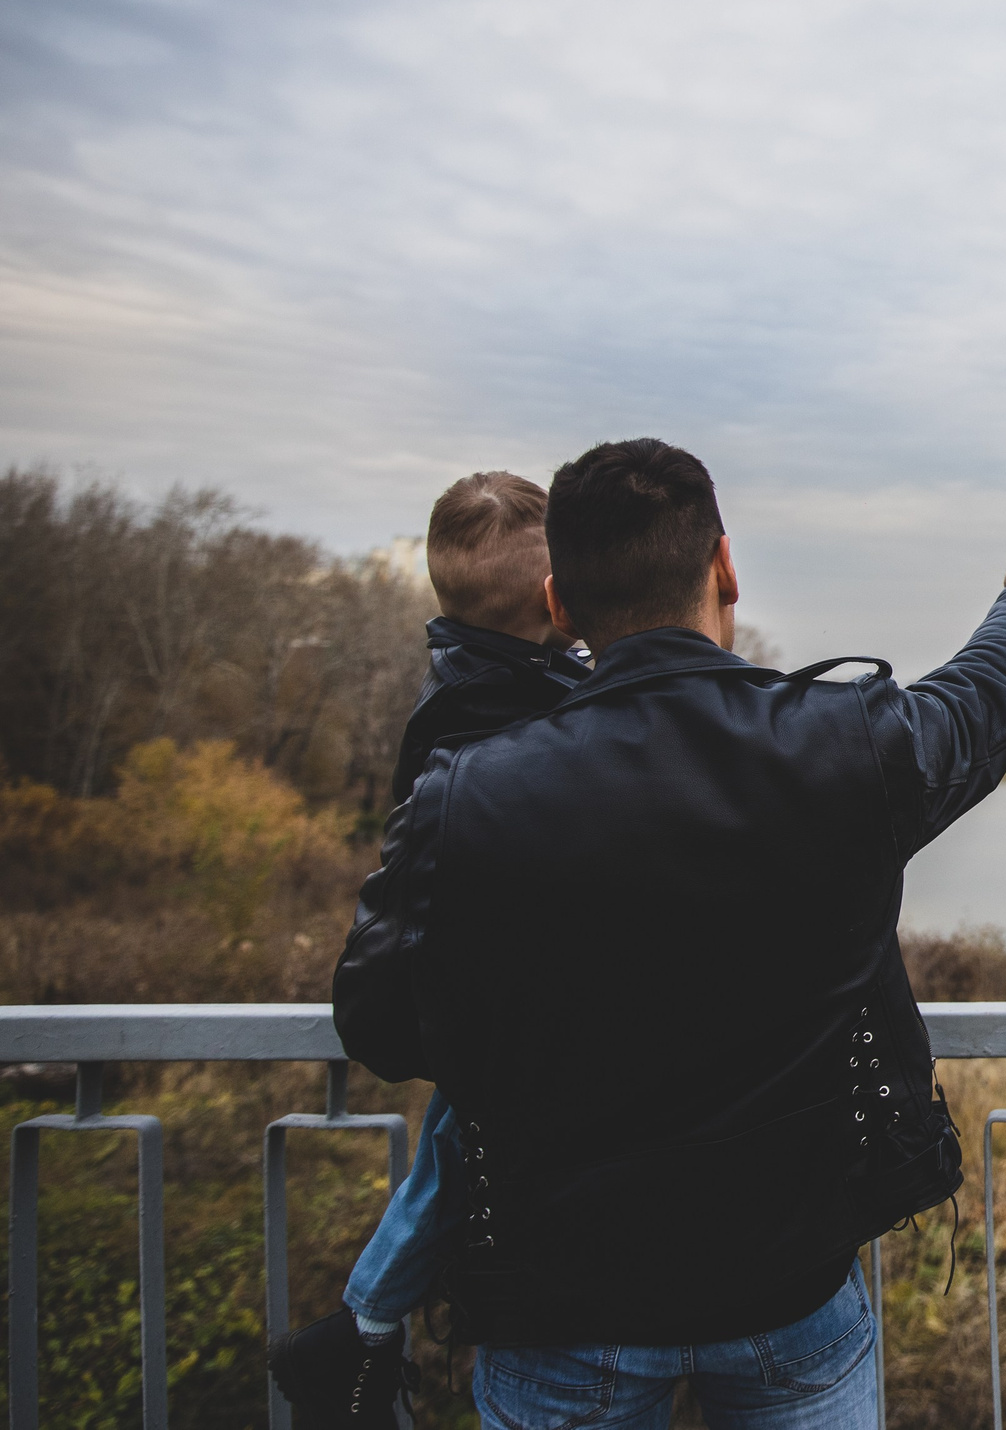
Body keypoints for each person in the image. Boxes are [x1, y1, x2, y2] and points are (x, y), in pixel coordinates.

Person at [331, 438, 1006, 1429]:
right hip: (790, 1293)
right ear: (724, 566)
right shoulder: (838, 744)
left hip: (560, 1306)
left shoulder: (462, 792)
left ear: (561, 604)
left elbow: (381, 1025)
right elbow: (980, 702)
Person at [270, 471, 594, 1428]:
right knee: (464, 1135)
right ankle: (366, 1322)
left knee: (463, 1132)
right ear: (556, 595)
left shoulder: (473, 676)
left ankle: (366, 1325)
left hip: (491, 990)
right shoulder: (495, 705)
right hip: (507, 993)